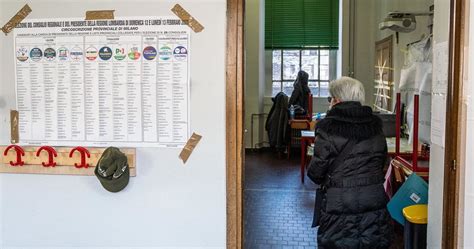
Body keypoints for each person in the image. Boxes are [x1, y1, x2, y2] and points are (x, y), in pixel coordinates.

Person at [307, 76, 393, 249]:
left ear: (337, 100)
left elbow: (316, 174)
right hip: (374, 202)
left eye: (330, 98)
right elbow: (381, 162)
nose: (329, 102)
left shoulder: (327, 129)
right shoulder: (376, 128)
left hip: (339, 206)